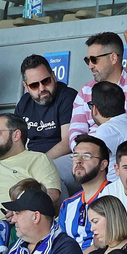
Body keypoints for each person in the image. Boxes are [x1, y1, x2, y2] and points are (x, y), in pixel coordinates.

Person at [70, 32, 127, 146]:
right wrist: (83, 152)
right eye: (88, 60)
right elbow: (75, 131)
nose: (90, 66)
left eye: (94, 60)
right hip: (86, 154)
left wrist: (95, 152)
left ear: (113, 58)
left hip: (124, 156)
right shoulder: (85, 90)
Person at [16, 56, 77, 186]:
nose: (42, 88)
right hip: (33, 161)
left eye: (46, 81)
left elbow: (67, 142)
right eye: (34, 85)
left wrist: (38, 163)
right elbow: (14, 141)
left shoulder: (67, 96)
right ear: (26, 86)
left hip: (63, 158)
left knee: (46, 177)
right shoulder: (24, 103)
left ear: (54, 76)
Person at [0, 113, 62, 212]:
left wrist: (20, 211)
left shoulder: (37, 159)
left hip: (16, 223)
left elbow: (51, 194)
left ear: (16, 135)